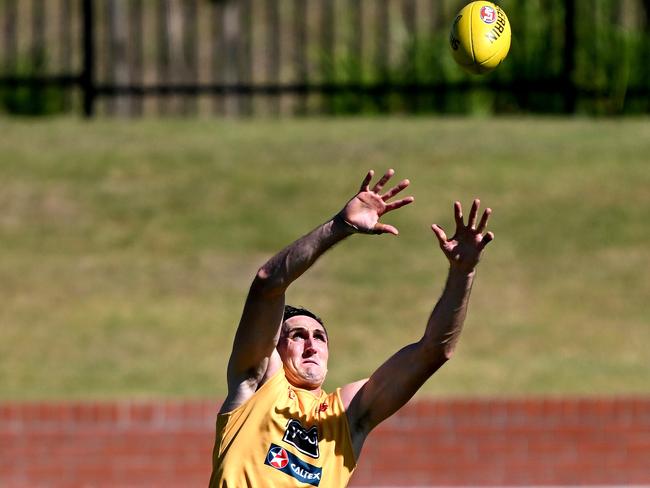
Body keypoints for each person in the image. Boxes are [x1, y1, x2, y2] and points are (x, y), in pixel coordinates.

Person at [209, 169, 493, 487]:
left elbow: (434, 351)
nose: (311, 344)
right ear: (273, 347)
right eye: (297, 336)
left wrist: (463, 273)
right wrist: (340, 226)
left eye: (319, 337)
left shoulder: (345, 415)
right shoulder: (256, 384)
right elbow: (267, 284)